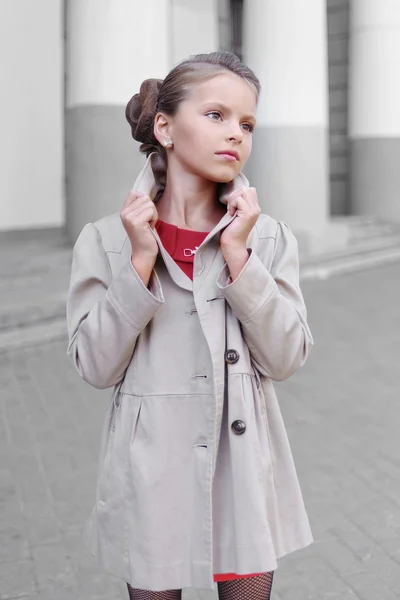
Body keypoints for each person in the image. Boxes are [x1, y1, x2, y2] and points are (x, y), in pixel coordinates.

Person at [66, 51, 314, 599]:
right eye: (216, 115)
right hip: (151, 464)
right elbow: (94, 365)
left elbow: (288, 356)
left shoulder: (266, 238)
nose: (236, 135)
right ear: (165, 127)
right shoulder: (105, 240)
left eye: (247, 124)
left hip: (241, 461)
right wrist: (137, 264)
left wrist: (238, 257)